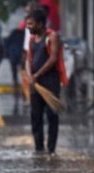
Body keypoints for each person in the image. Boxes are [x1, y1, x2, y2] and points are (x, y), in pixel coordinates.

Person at [25, 9, 62, 156]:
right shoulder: (32, 39)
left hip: (50, 82)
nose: (28, 27)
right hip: (35, 84)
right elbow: (28, 59)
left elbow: (53, 58)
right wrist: (30, 75)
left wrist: (37, 74)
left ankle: (51, 149)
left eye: (31, 24)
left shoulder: (52, 36)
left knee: (52, 115)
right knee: (35, 115)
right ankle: (38, 148)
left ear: (40, 24)